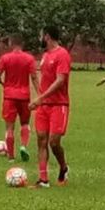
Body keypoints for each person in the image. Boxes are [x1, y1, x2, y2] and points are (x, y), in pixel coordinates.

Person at [29, 26, 71, 189]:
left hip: (59, 105)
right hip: (43, 106)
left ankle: (63, 166)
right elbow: (44, 78)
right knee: (41, 140)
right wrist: (39, 97)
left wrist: (40, 97)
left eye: (41, 35)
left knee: (54, 142)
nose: (40, 38)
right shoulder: (45, 55)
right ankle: (43, 179)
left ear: (47, 36)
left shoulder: (62, 55)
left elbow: (60, 80)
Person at [0, 34, 38, 162]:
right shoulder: (29, 59)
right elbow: (34, 77)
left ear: (11, 44)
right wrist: (40, 94)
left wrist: (3, 83)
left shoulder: (5, 58)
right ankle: (23, 146)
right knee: (25, 124)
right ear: (22, 44)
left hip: (9, 96)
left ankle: (11, 157)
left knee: (9, 127)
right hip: (24, 96)